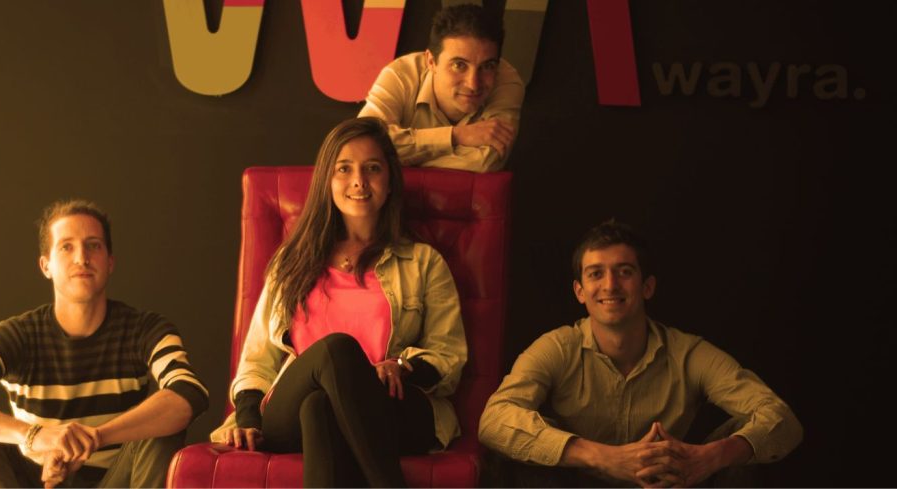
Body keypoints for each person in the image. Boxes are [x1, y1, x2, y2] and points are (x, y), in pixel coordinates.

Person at [209, 117, 467, 487]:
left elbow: (448, 354)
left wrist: (403, 366)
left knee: (321, 408)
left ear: (390, 180)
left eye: (372, 168)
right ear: (326, 181)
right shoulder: (292, 262)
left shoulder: (423, 262)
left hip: (391, 405)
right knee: (335, 352)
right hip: (289, 415)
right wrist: (247, 418)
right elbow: (257, 357)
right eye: (344, 169)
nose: (359, 180)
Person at [478, 220, 803, 487]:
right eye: (596, 273)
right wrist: (604, 457)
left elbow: (782, 419)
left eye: (624, 272)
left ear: (647, 286)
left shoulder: (689, 353)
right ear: (580, 291)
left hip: (670, 484)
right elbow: (494, 420)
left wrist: (707, 458)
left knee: (745, 446)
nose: (610, 286)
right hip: (578, 485)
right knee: (522, 447)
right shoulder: (557, 348)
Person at [0, 200, 209, 488]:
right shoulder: (18, 335)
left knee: (164, 425)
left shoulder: (144, 330)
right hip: (37, 481)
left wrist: (94, 438)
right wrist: (36, 437)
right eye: (66, 247)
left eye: (93, 245)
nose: (81, 258)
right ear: (46, 265)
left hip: (116, 481)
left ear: (110, 262)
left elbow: (188, 391)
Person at [358, 4, 524, 173]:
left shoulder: (507, 81)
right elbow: (363, 144)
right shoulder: (400, 75)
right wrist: (456, 136)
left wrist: (396, 158)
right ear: (431, 62)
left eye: (487, 66)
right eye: (459, 65)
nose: (473, 84)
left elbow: (486, 162)